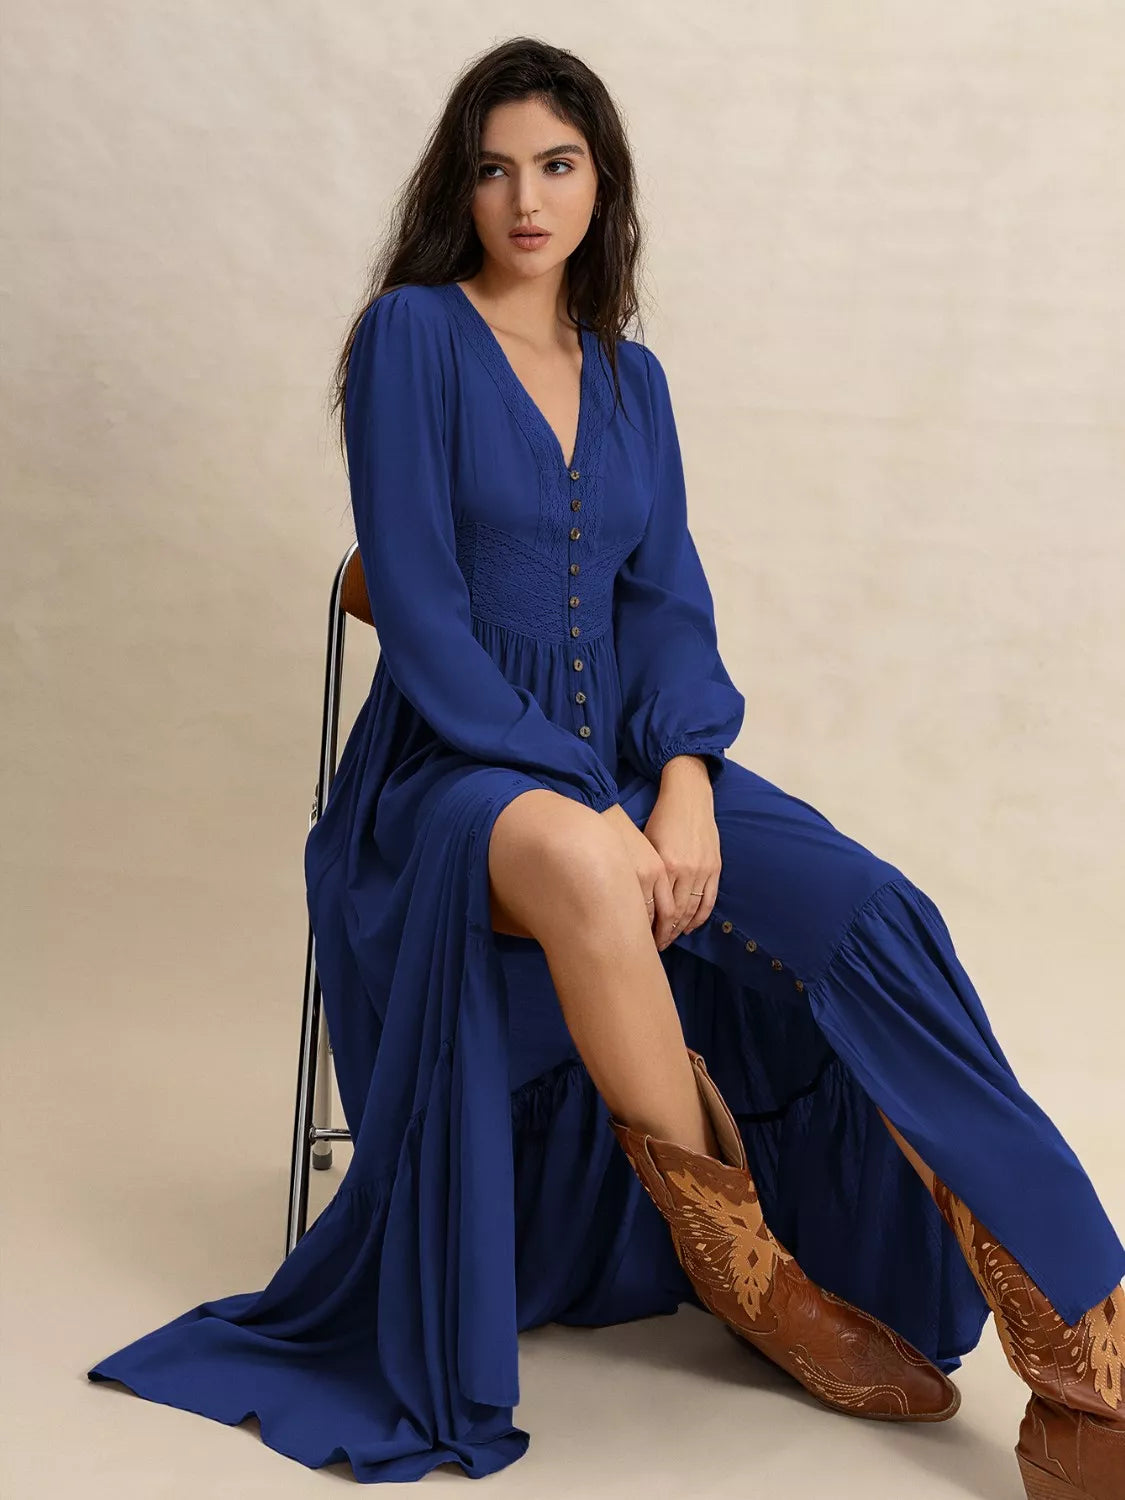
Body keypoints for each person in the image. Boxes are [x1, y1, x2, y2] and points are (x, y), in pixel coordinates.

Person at [87, 36, 1123, 1496]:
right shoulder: (411, 337)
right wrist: (583, 797)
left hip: (638, 758)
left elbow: (668, 608)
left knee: (870, 908)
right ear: (460, 183)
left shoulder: (632, 382)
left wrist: (686, 778)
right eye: (495, 166)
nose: (525, 197)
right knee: (584, 862)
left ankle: (1086, 1347)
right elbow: (427, 615)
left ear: (599, 186)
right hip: (454, 777)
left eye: (556, 165)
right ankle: (755, 1287)